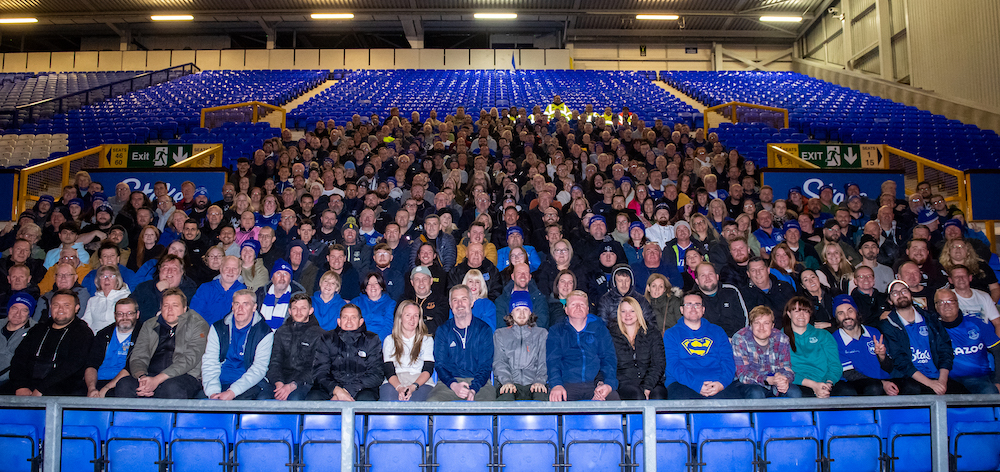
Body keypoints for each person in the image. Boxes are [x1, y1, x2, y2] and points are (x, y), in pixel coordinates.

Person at [115, 288, 210, 399]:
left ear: (184, 309)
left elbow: (190, 358)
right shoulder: (149, 325)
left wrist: (157, 380)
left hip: (184, 376)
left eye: (175, 305)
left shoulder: (198, 324)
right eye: (166, 306)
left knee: (171, 387)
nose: (170, 310)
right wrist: (142, 378)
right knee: (124, 384)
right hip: (150, 374)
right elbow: (138, 355)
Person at [879, 280, 962, 395]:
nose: (901, 295)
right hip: (907, 378)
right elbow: (900, 361)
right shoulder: (888, 325)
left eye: (904, 291)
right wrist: (930, 383)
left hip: (936, 376)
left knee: (964, 396)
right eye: (895, 293)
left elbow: (945, 350)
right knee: (915, 391)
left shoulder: (930, 319)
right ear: (890, 301)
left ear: (911, 294)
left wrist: (942, 381)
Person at [7, 289, 94, 396]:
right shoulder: (37, 329)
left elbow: (72, 365)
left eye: (66, 305)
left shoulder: (83, 333)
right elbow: (19, 358)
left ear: (76, 308)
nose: (60, 309)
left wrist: (41, 389)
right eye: (56, 305)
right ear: (51, 307)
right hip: (27, 384)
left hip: (61, 386)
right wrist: (21, 386)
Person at [663, 291, 743, 399]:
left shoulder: (717, 331)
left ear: (703, 310)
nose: (693, 308)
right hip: (682, 383)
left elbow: (728, 361)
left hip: (717, 382)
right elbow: (673, 365)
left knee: (736, 407)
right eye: (688, 304)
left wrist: (721, 383)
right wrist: (697, 385)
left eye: (697, 305)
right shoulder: (671, 334)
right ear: (681, 310)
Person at [546, 290, 621, 401]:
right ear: (566, 310)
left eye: (582, 304)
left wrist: (608, 384)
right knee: (556, 400)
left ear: (587, 309)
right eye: (573, 304)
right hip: (567, 384)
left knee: (613, 399)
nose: (578, 307)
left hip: (594, 384)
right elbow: (553, 361)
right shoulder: (556, 331)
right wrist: (556, 384)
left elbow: (608, 359)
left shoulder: (600, 330)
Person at [201, 289, 274, 400]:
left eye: (245, 304)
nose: (240, 309)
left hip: (249, 385)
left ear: (254, 307)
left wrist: (232, 392)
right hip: (220, 381)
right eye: (237, 304)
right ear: (232, 306)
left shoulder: (264, 332)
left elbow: (258, 368)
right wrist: (213, 392)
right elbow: (210, 362)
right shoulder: (218, 328)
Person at [428, 285, 496, 401]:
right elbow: (440, 364)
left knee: (488, 408)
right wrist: (454, 385)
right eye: (455, 300)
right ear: (450, 304)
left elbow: (485, 366)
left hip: (480, 384)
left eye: (464, 299)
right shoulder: (443, 330)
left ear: (471, 302)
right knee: (432, 404)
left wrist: (473, 389)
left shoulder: (484, 330)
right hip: (448, 384)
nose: (459, 304)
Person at [310, 303, 384, 401]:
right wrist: (336, 390)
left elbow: (376, 373)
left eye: (353, 317)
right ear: (339, 321)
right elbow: (320, 371)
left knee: (366, 400)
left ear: (360, 321)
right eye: (345, 317)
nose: (349, 321)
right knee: (313, 399)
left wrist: (347, 391)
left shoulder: (371, 339)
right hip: (330, 388)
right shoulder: (327, 339)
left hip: (362, 388)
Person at [932, 288, 1000, 394]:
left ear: (957, 303)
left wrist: (998, 381)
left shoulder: (977, 323)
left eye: (950, 301)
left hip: (979, 378)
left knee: (990, 391)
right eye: (941, 302)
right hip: (947, 381)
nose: (946, 305)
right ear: (936, 307)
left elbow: (998, 351)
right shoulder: (932, 328)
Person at [260, 293, 325, 400]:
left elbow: (315, 368)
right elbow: (274, 362)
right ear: (289, 311)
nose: (299, 312)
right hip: (280, 380)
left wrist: (292, 385)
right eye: (295, 308)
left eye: (303, 308)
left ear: (310, 311)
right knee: (263, 399)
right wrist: (278, 383)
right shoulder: (281, 332)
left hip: (304, 382)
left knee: (294, 399)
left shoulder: (320, 335)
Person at [831, 294, 898, 396]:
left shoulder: (874, 332)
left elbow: (889, 368)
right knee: (874, 388)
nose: (847, 316)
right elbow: (849, 374)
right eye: (841, 313)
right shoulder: (835, 340)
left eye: (850, 311)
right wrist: (881, 383)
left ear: (857, 312)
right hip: (857, 386)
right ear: (836, 317)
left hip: (883, 382)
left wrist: (882, 356)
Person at [731, 305, 801, 398]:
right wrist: (767, 379)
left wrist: (784, 380)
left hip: (775, 381)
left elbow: (787, 368)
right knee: (756, 393)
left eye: (766, 323)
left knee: (794, 392)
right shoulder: (740, 338)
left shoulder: (782, 338)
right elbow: (743, 374)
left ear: (772, 325)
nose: (761, 327)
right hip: (749, 383)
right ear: (751, 325)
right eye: (757, 323)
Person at [493, 291, 549, 401]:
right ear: (511, 313)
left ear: (530, 313)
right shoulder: (500, 334)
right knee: (506, 399)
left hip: (534, 383)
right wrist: (507, 381)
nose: (522, 314)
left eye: (525, 310)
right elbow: (499, 361)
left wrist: (539, 381)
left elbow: (544, 362)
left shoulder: (541, 334)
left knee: (541, 399)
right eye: (517, 309)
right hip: (509, 383)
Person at [609, 296, 667, 400]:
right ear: (619, 314)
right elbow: (610, 364)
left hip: (652, 382)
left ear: (638, 312)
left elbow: (658, 363)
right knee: (637, 396)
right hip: (625, 384)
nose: (628, 315)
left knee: (658, 396)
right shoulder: (611, 334)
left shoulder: (652, 333)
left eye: (632, 311)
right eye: (623, 311)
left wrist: (647, 386)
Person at [783, 296, 841, 398]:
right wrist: (814, 385)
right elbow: (783, 370)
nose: (801, 315)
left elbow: (835, 365)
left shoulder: (824, 335)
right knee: (800, 394)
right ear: (789, 314)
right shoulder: (779, 337)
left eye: (805, 311)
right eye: (796, 311)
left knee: (847, 391)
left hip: (824, 382)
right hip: (799, 383)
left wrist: (828, 384)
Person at [84, 298, 140, 398]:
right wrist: (91, 388)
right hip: (98, 381)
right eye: (120, 314)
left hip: (124, 382)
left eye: (129, 313)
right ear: (115, 315)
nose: (125, 317)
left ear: (137, 315)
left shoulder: (143, 335)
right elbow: (91, 364)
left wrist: (106, 388)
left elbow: (132, 366)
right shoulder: (103, 334)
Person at [380, 301, 435, 402]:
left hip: (420, 381)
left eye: (416, 316)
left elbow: (428, 369)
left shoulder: (427, 340)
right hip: (395, 380)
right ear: (400, 318)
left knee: (416, 403)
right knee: (388, 400)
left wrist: (414, 386)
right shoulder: (390, 340)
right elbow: (388, 369)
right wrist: (399, 387)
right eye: (408, 315)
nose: (412, 319)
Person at [693, 262, 749, 337]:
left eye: (710, 274)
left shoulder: (731, 291)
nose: (707, 278)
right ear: (697, 281)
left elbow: (743, 319)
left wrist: (735, 339)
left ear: (717, 276)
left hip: (735, 340)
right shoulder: (692, 299)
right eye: (703, 275)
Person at [597, 264, 658, 331]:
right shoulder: (605, 301)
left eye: (627, 280)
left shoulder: (641, 300)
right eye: (620, 281)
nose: (624, 284)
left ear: (631, 281)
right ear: (614, 282)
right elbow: (602, 327)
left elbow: (651, 324)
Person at [189, 255, 247, 326]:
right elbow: (194, 315)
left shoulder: (244, 292)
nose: (230, 271)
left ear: (239, 271)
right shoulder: (205, 288)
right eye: (227, 268)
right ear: (220, 269)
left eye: (234, 268)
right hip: (205, 333)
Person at [256, 259, 308, 330]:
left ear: (290, 279)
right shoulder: (260, 294)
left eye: (285, 274)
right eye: (278, 273)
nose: (282, 278)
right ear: (272, 278)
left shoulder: (299, 299)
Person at [80, 265, 132, 333]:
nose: (107, 279)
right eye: (103, 276)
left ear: (117, 281)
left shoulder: (126, 298)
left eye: (111, 276)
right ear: (98, 281)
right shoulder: (92, 300)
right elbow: (86, 322)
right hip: (95, 336)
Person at [0, 294, 36, 390]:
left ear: (29, 313)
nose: (17, 314)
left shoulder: (36, 332)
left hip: (13, 383)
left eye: (24, 310)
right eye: (14, 308)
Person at [353, 272, 396, 341]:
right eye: (369, 284)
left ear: (381, 287)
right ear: (365, 288)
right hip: (358, 340)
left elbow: (388, 327)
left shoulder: (390, 303)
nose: (372, 286)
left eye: (376, 283)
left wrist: (375, 342)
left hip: (380, 341)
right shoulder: (356, 302)